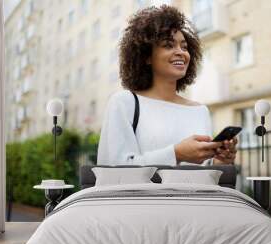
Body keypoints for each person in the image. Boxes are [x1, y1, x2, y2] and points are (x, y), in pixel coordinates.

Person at [97, 5, 237, 166]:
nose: (181, 52)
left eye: (184, 47)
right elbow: (114, 169)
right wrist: (176, 154)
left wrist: (220, 162)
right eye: (168, 45)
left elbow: (203, 173)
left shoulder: (200, 111)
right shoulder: (124, 103)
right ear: (147, 56)